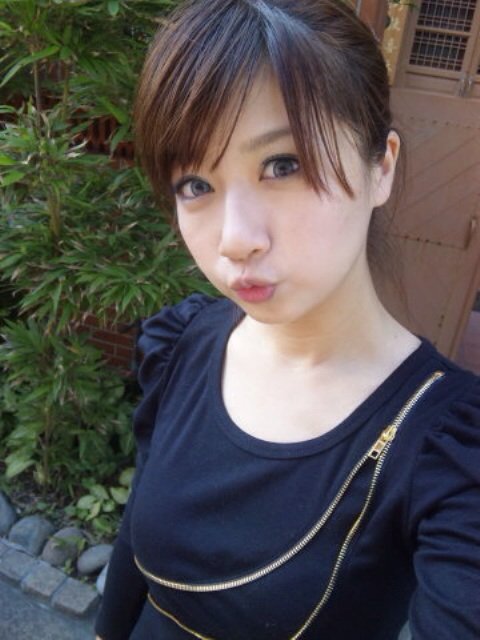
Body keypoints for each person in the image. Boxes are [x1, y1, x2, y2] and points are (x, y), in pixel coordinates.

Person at [95, 1, 480, 638]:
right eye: (195, 184)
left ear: (381, 166)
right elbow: (134, 551)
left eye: (283, 165)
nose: (235, 239)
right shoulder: (184, 345)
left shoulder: (448, 450)